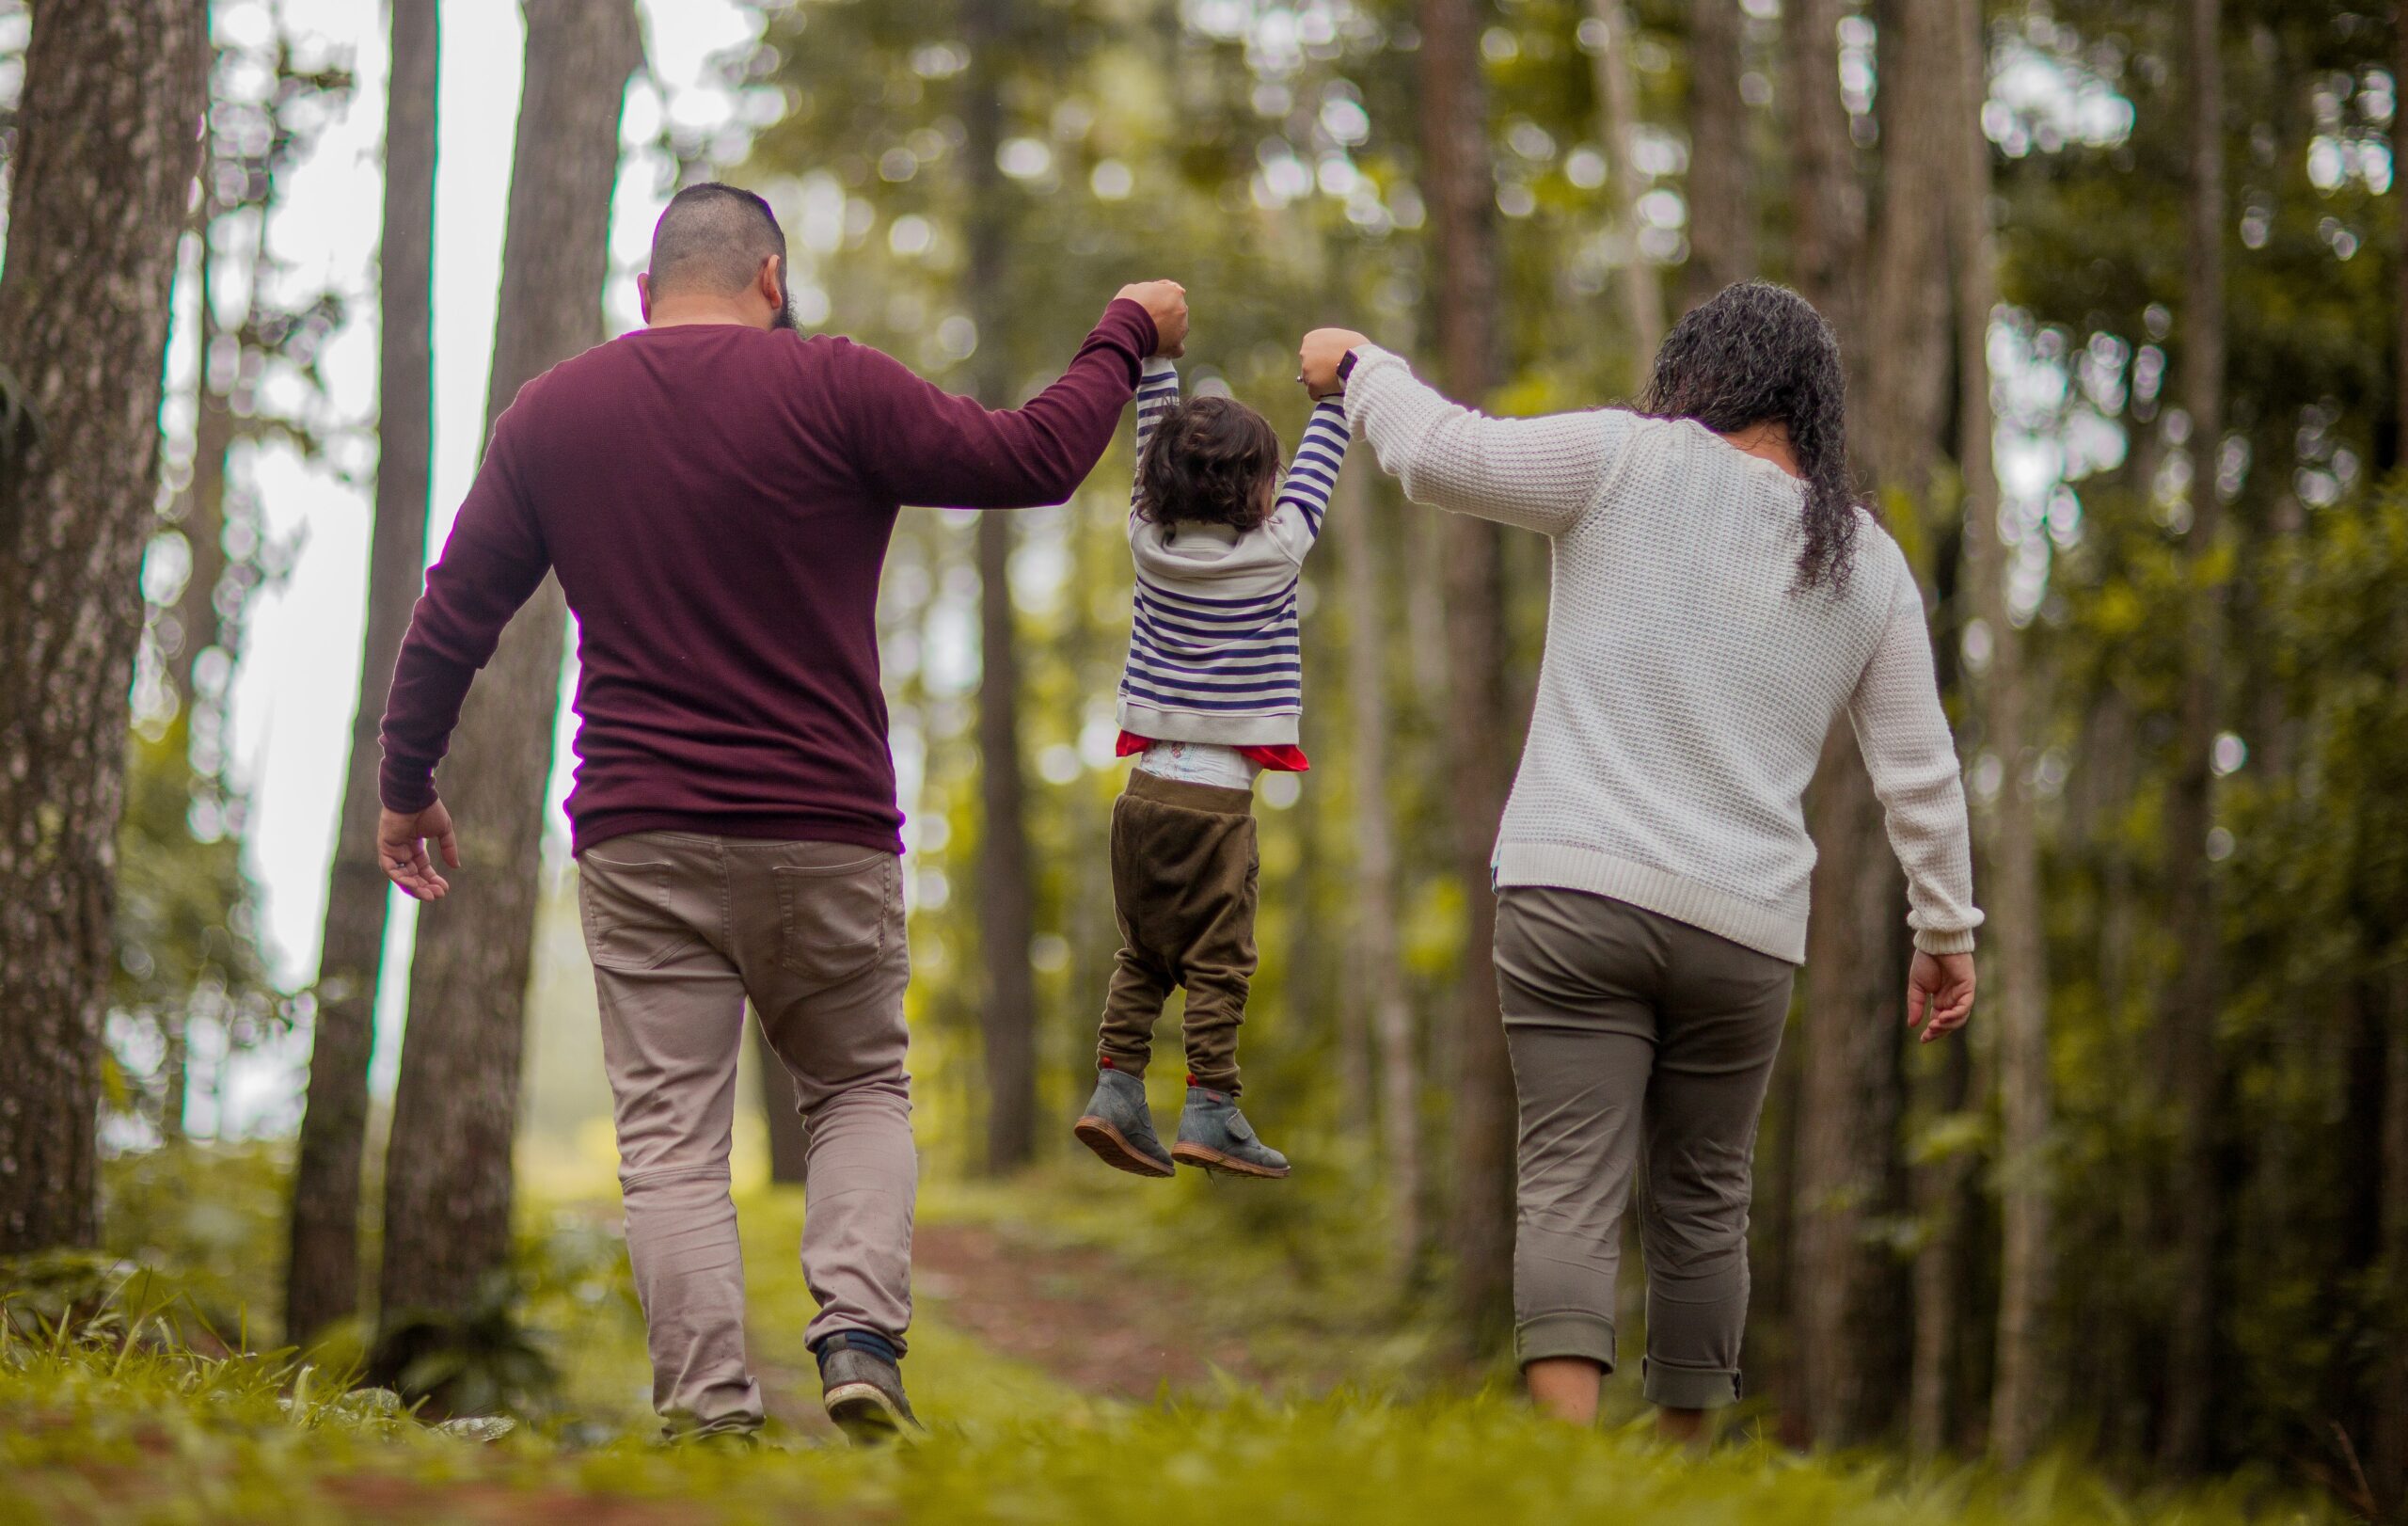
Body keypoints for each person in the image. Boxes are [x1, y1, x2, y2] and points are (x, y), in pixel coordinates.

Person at [373, 181, 1189, 1443]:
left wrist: (405, 780)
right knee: (858, 1084)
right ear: (771, 277)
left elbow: (454, 613)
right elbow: (1033, 458)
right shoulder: (834, 383)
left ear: (646, 296)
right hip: (824, 823)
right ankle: (861, 1334)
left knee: (669, 1140)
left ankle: (708, 1411)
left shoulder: (556, 413)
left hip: (641, 831)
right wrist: (1124, 330)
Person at [1295, 281, 1981, 1441]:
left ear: (1697, 371)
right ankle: (1679, 1478)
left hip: (1574, 892)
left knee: (1569, 1177)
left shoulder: (1624, 457)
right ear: (1813, 407)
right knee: (1706, 1203)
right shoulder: (1865, 561)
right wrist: (1945, 930)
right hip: (1744, 929)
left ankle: (1567, 1475)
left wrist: (1363, 364)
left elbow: (1438, 456)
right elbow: (1920, 769)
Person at [1070, 349, 1351, 1182]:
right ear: (1257, 491)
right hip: (1216, 807)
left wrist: (1156, 360)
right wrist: (1334, 394)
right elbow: (1321, 464)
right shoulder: (1278, 551)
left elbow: (1145, 441)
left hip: (1144, 796)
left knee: (1145, 955)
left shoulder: (1144, 543)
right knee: (1218, 963)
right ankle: (1211, 1106)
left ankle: (1116, 1087)